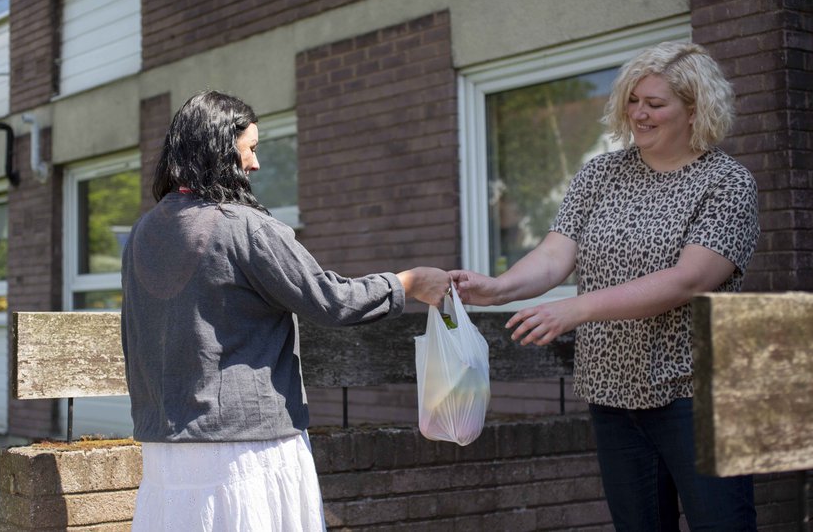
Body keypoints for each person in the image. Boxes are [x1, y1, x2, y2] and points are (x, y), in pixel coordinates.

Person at [450, 42, 760, 531]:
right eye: (633, 100)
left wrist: (576, 310)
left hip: (696, 395)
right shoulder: (601, 174)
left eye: (655, 103)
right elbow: (556, 254)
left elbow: (689, 279)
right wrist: (499, 287)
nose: (639, 112)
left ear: (695, 109)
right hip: (613, 393)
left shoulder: (726, 184)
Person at [121, 90, 449, 532]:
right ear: (220, 148)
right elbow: (330, 301)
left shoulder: (143, 232)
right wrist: (406, 283)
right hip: (245, 450)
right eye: (250, 149)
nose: (255, 164)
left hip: (164, 448)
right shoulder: (243, 226)